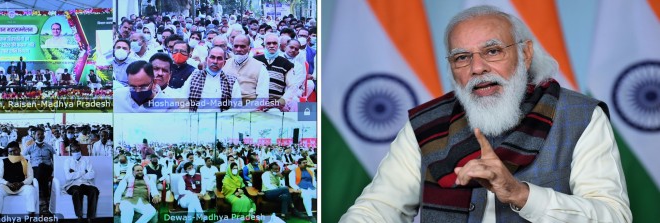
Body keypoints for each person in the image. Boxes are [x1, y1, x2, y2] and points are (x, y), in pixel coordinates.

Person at [340, 6, 631, 223]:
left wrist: (520, 194)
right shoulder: (427, 124)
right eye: (462, 57)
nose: (477, 68)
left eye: (492, 51)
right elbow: (377, 209)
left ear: (525, 54)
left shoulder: (580, 116)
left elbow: (614, 217)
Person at [179, 46, 243, 112]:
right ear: (206, 60)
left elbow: (237, 108)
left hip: (222, 120)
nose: (215, 61)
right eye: (212, 57)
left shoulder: (231, 81)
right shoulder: (194, 76)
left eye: (219, 58)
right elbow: (183, 100)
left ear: (224, 63)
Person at [222, 35, 270, 106]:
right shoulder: (224, 65)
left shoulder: (260, 67)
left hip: (250, 109)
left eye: (242, 46)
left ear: (249, 48)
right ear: (232, 47)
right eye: (236, 46)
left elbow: (263, 97)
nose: (238, 49)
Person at [254, 33, 297, 111]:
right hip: (254, 102)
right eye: (268, 43)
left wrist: (281, 101)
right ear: (264, 45)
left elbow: (292, 86)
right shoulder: (254, 60)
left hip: (275, 105)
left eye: (274, 43)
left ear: (279, 45)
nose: (271, 45)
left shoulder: (286, 64)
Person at [0, 142, 36, 217]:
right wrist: (7, 183)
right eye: (10, 151)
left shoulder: (26, 162)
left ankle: (31, 214)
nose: (13, 153)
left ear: (19, 150)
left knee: (31, 190)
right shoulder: (3, 162)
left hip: (21, 186)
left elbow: (30, 177)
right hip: (7, 187)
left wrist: (22, 183)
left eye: (15, 150)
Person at [63, 140, 100, 222]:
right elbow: (68, 177)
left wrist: (75, 173)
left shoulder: (87, 160)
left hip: (86, 183)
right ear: (71, 152)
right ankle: (79, 216)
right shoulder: (67, 161)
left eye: (77, 150)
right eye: (73, 151)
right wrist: (84, 172)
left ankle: (90, 217)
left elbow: (92, 174)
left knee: (94, 190)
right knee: (76, 191)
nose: (75, 152)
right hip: (72, 184)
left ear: (80, 150)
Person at [22, 128, 56, 214]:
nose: (40, 136)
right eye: (38, 134)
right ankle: (45, 199)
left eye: (42, 134)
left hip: (47, 168)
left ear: (44, 136)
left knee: (42, 167)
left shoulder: (49, 147)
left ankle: (40, 199)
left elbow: (55, 159)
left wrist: (54, 171)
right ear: (34, 136)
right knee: (40, 170)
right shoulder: (30, 147)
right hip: (35, 169)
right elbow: (23, 157)